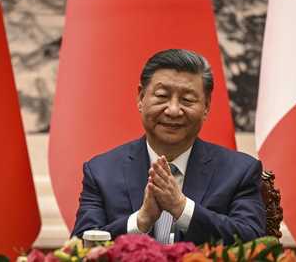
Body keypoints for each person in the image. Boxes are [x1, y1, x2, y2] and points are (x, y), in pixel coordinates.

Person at [72, 49, 266, 245]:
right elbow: (80, 247)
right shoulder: (101, 171)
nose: (173, 110)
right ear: (141, 98)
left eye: (187, 100)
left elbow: (254, 241)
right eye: (162, 96)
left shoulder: (240, 172)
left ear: (206, 106)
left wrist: (182, 208)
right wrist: (140, 222)